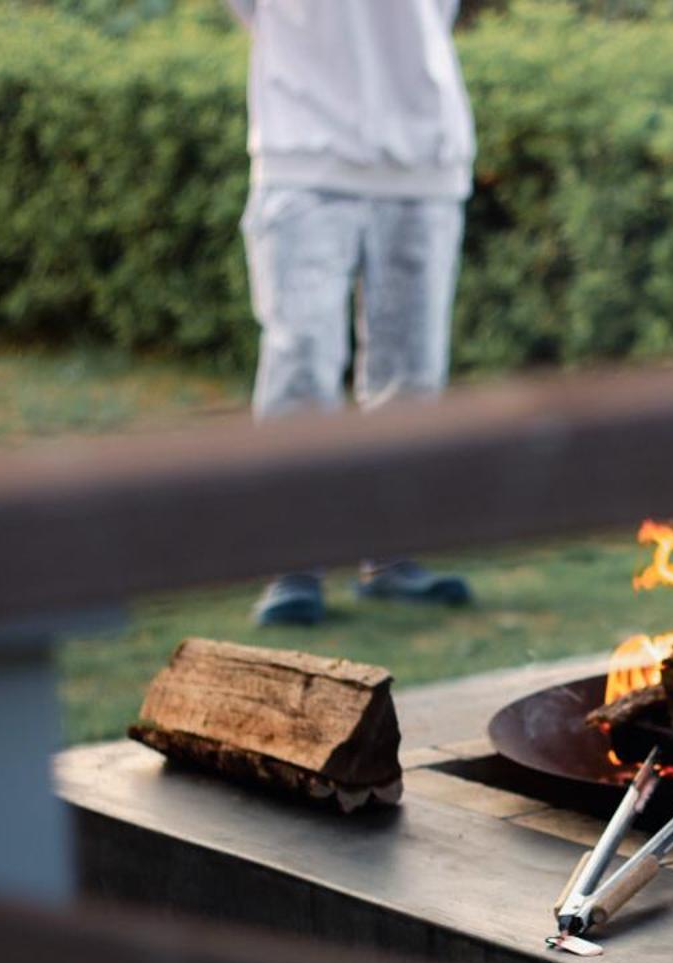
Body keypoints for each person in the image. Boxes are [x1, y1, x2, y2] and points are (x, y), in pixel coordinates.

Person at [228, 0, 476, 626]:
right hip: (302, 155)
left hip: (426, 159)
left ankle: (391, 558)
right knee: (302, 364)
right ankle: (295, 565)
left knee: (411, 376)